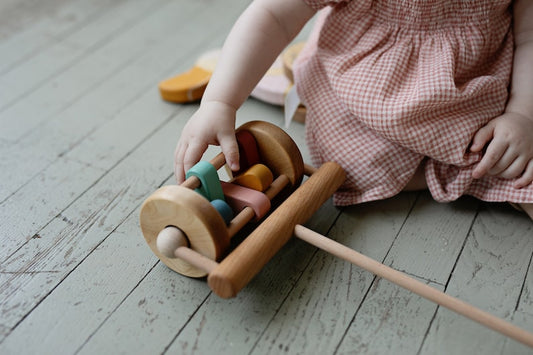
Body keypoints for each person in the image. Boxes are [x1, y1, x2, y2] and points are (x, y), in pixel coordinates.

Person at [174, 0, 533, 219]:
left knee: (513, 158)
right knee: (347, 165)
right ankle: (446, 174)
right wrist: (220, 102)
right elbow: (274, 13)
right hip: (366, 89)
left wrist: (522, 114)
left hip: (474, 89)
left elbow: (529, 35)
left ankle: (465, 168)